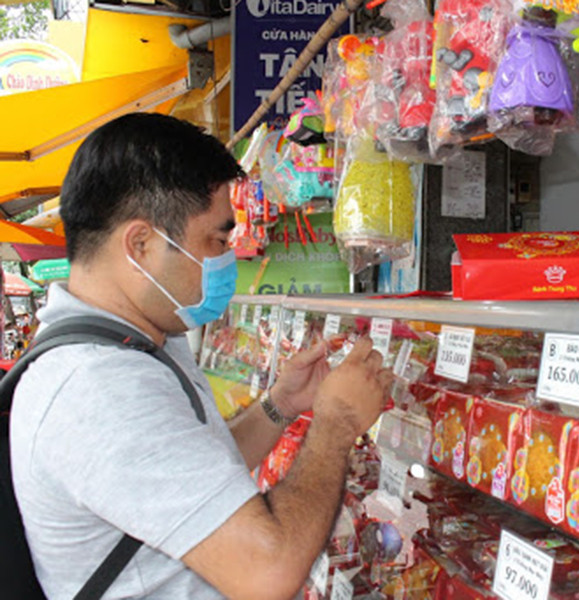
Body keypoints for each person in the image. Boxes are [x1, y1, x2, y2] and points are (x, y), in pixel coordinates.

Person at [10, 113, 393, 599]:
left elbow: (190, 471)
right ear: (141, 245)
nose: (226, 259)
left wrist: (281, 405)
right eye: (216, 240)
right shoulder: (100, 389)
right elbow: (267, 573)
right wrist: (337, 424)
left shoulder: (137, 342)